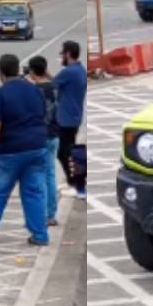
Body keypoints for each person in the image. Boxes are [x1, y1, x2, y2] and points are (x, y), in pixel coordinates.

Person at [0, 54, 50, 246]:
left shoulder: (0, 94)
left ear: (1, 73)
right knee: (34, 192)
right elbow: (42, 115)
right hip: (37, 147)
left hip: (9, 151)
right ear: (18, 69)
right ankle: (40, 235)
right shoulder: (34, 89)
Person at [26, 56, 62, 227]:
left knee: (36, 177)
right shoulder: (56, 87)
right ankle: (51, 214)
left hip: (38, 137)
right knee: (50, 174)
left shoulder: (32, 91)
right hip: (54, 134)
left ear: (32, 71)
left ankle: (40, 214)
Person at [54, 40, 88, 200]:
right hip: (74, 117)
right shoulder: (80, 70)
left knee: (64, 152)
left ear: (68, 54)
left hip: (66, 119)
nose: (62, 57)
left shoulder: (68, 72)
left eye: (63, 54)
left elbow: (51, 85)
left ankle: (75, 183)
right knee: (70, 150)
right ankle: (75, 183)